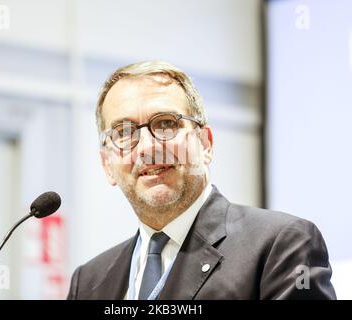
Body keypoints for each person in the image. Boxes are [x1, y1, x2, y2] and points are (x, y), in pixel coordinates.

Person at [67, 61, 336, 300]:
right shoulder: (88, 282)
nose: (147, 147)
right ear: (107, 165)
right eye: (124, 131)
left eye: (166, 124)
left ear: (205, 144)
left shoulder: (280, 245)